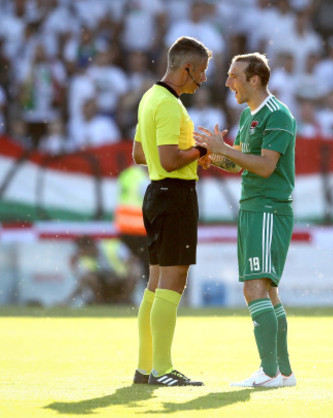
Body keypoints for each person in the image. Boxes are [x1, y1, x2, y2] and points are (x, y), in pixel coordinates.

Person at [194, 52, 296, 388]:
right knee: (268, 292)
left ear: (255, 80)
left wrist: (224, 148)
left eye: (234, 76)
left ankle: (268, 373)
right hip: (253, 207)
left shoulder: (278, 115)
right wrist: (217, 156)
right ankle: (283, 372)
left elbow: (265, 166)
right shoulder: (248, 115)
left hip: (268, 208)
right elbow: (240, 164)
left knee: (254, 289)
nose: (227, 83)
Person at [131, 36, 212, 387]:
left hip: (156, 194)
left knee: (155, 283)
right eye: (203, 72)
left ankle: (145, 368)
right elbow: (167, 160)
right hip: (175, 196)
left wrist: (186, 153)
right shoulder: (167, 104)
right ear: (187, 68)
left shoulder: (149, 98)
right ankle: (163, 370)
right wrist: (201, 149)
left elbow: (138, 154)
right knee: (173, 282)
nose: (204, 79)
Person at [63, 236, 136, 306]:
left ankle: (124, 299)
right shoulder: (86, 258)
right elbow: (84, 280)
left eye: (83, 251)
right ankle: (99, 302)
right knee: (89, 277)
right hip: (103, 286)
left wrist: (125, 274)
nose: (83, 254)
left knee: (134, 272)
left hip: (120, 281)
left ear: (89, 247)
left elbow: (131, 261)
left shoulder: (111, 247)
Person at [114, 164, 150, 289]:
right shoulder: (143, 179)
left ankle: (124, 295)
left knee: (131, 264)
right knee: (149, 265)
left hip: (124, 228)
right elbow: (151, 201)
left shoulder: (126, 174)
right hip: (139, 229)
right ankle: (151, 296)